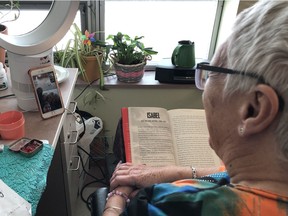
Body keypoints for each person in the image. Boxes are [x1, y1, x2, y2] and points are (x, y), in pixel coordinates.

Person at [103, 0, 288, 215]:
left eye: (210, 72)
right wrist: (167, 172)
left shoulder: (168, 205)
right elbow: (223, 173)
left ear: (253, 109)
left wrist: (116, 199)